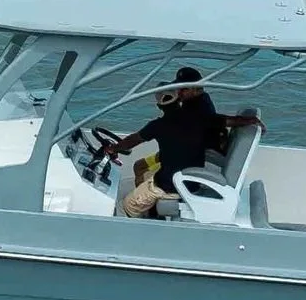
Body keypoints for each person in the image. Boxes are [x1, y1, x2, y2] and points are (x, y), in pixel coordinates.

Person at [103, 67, 257, 219]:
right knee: (140, 167)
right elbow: (223, 121)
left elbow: (132, 141)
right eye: (179, 89)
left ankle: (145, 221)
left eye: (183, 88)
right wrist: (247, 120)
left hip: (171, 182)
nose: (181, 91)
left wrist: (113, 148)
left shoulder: (160, 125)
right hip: (188, 163)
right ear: (177, 100)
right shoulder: (196, 116)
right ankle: (151, 210)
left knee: (125, 207)